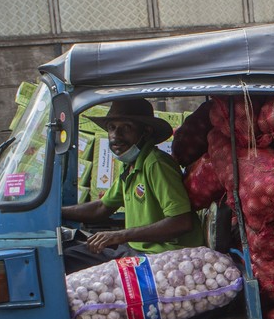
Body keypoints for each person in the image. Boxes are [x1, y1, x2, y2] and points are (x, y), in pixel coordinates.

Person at [61, 98, 205, 272]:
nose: (116, 136)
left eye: (126, 128)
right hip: (136, 250)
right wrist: (55, 212)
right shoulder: (130, 166)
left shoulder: (156, 164)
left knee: (69, 262)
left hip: (161, 257)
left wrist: (119, 236)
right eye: (112, 128)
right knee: (67, 255)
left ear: (146, 131)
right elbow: (101, 207)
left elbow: (181, 222)